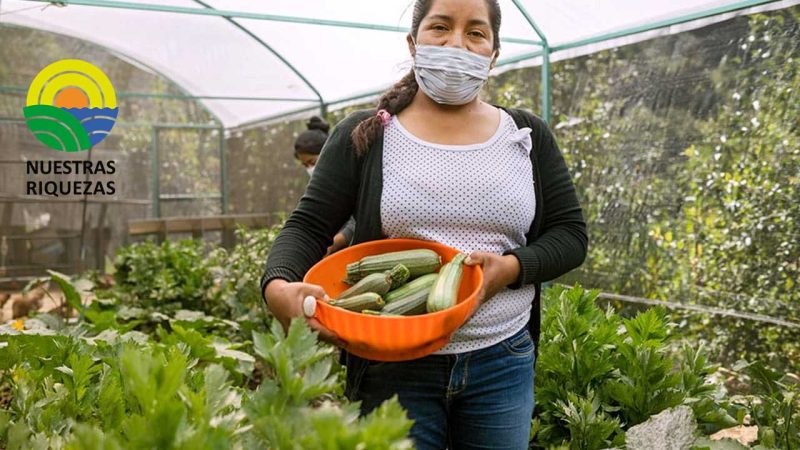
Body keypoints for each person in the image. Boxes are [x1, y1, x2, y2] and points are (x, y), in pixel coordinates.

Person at [261, 0, 588, 448]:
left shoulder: (526, 136)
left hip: (502, 360)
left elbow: (570, 235)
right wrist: (277, 287)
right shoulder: (368, 133)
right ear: (414, 43)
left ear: (493, 54)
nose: (456, 44)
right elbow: (307, 226)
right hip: (391, 363)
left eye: (476, 32)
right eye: (440, 27)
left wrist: (510, 269)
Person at [293, 115, 355, 255]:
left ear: (328, 154)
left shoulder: (350, 177)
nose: (309, 168)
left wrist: (332, 245)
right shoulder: (318, 188)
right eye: (305, 165)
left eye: (312, 162)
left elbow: (357, 222)